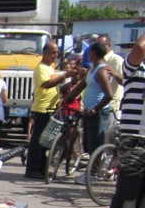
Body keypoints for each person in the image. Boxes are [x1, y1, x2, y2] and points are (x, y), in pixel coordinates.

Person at [102, 31, 145, 208]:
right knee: (127, 194)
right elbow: (139, 49)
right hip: (134, 138)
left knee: (141, 197)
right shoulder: (134, 68)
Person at [65, 41, 114, 157]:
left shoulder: (101, 72)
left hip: (98, 113)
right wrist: (66, 99)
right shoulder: (92, 69)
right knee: (88, 145)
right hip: (88, 111)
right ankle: (90, 171)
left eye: (89, 52)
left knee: (96, 145)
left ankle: (93, 173)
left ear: (93, 53)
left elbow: (109, 95)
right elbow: (80, 87)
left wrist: (95, 109)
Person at [25, 40, 66, 179]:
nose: (55, 55)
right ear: (45, 53)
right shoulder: (41, 68)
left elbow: (56, 86)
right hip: (42, 108)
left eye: (57, 53)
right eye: (52, 52)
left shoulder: (51, 67)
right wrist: (64, 76)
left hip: (51, 108)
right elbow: (47, 84)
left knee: (47, 142)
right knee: (38, 141)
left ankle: (42, 169)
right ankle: (32, 169)